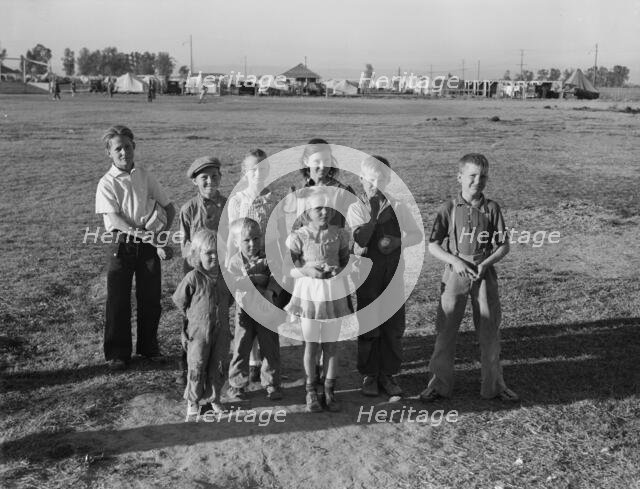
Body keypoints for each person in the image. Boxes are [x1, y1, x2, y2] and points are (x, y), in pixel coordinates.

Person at [420, 153, 519, 403]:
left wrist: (485, 264)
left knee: (489, 331)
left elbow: (503, 246)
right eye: (472, 176)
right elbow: (433, 245)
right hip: (455, 274)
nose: (478, 181)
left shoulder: (492, 208)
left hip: (484, 275)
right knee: (445, 331)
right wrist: (454, 261)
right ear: (460, 177)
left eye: (483, 176)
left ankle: (494, 386)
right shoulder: (449, 209)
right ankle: (438, 385)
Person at [95, 125, 175, 370]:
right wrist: (144, 235)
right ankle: (118, 354)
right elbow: (116, 220)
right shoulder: (106, 183)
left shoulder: (145, 175)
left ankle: (149, 348)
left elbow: (169, 208)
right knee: (118, 299)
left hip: (149, 245)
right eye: (117, 148)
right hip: (122, 244)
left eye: (127, 147)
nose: (123, 152)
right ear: (109, 152)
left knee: (150, 299)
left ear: (134, 147)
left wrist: (160, 236)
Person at [347, 156, 423, 399]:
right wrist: (374, 214)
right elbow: (360, 239)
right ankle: (369, 374)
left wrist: (399, 241)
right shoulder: (356, 207)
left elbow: (416, 235)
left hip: (392, 275)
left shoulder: (398, 206)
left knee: (392, 326)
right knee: (370, 324)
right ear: (361, 179)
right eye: (370, 179)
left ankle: (388, 374)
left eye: (380, 179)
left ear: (389, 179)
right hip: (367, 277)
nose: (375, 184)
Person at [285, 187, 352, 412]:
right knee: (311, 344)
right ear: (306, 211)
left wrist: (338, 271)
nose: (324, 211)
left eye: (327, 206)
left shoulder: (340, 234)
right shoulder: (298, 237)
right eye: (317, 208)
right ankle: (311, 390)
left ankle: (330, 390)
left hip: (333, 294)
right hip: (309, 295)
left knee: (332, 345)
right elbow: (289, 269)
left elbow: (346, 263)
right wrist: (307, 271)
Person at [226, 149, 288, 381]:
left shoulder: (275, 199)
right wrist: (233, 266)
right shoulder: (238, 200)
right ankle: (252, 360)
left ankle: (268, 359)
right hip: (246, 261)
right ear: (245, 172)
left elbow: (280, 233)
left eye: (262, 168)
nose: (257, 173)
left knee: (268, 307)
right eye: (253, 169)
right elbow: (234, 235)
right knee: (247, 310)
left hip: (269, 262)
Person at [177, 156, 227, 385]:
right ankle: (189, 369)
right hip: (197, 276)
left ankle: (215, 371)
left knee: (220, 320)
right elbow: (185, 246)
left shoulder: (228, 205)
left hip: (222, 274)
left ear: (220, 177)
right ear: (195, 181)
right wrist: (198, 262)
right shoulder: (188, 209)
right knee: (194, 321)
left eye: (214, 176)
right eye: (204, 177)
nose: (210, 181)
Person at [173, 230, 232, 420]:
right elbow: (180, 300)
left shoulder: (226, 277)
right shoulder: (193, 277)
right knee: (197, 364)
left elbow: (228, 300)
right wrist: (192, 318)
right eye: (208, 253)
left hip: (221, 331)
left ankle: (214, 398)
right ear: (197, 255)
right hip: (198, 332)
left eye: (218, 252)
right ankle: (193, 400)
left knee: (218, 364)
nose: (214, 256)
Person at [227, 218, 283, 401]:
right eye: (246, 240)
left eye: (256, 238)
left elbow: (277, 277)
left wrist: (269, 290)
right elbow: (233, 283)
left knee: (270, 347)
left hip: (267, 311)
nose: (252, 244)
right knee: (241, 347)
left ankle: (272, 383)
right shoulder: (234, 262)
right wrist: (255, 279)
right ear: (236, 242)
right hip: (244, 312)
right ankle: (237, 384)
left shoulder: (268, 257)